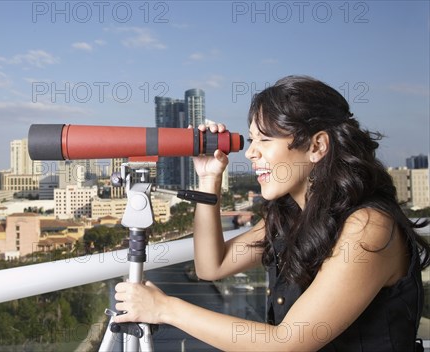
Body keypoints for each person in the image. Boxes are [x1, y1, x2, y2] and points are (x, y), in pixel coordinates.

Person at [114, 75, 430, 351]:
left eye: (265, 139)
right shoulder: (291, 215)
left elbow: (286, 343)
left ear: (317, 146)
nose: (251, 152)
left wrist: (166, 309)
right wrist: (210, 178)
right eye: (252, 140)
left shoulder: (369, 227)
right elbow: (212, 266)